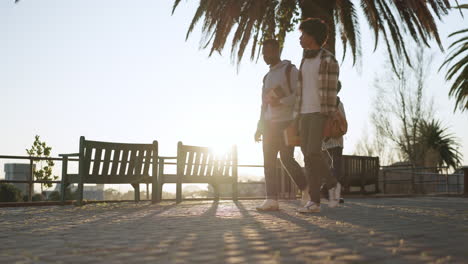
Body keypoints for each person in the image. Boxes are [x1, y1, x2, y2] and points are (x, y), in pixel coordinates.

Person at [296, 18, 341, 213]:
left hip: (319, 112)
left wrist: (330, 115)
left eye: (303, 34)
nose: (300, 37)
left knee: (313, 151)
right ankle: (314, 202)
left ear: (313, 36)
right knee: (308, 157)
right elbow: (301, 89)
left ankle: (332, 183)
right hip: (303, 113)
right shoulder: (305, 59)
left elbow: (331, 92)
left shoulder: (329, 59)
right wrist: (295, 114)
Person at [255, 39, 306, 211]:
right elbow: (263, 104)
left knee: (286, 159)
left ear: (277, 51)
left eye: (268, 52)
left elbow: (300, 95)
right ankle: (271, 199)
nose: (265, 56)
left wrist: (281, 101)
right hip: (269, 125)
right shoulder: (266, 77)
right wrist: (259, 126)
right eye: (263, 53)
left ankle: (306, 189)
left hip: (286, 123)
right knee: (268, 162)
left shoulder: (290, 70)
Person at [321, 81, 346, 203]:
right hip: (334, 139)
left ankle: (326, 191)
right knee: (336, 168)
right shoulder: (338, 103)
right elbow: (343, 122)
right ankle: (327, 191)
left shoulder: (325, 102)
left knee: (331, 168)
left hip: (327, 139)